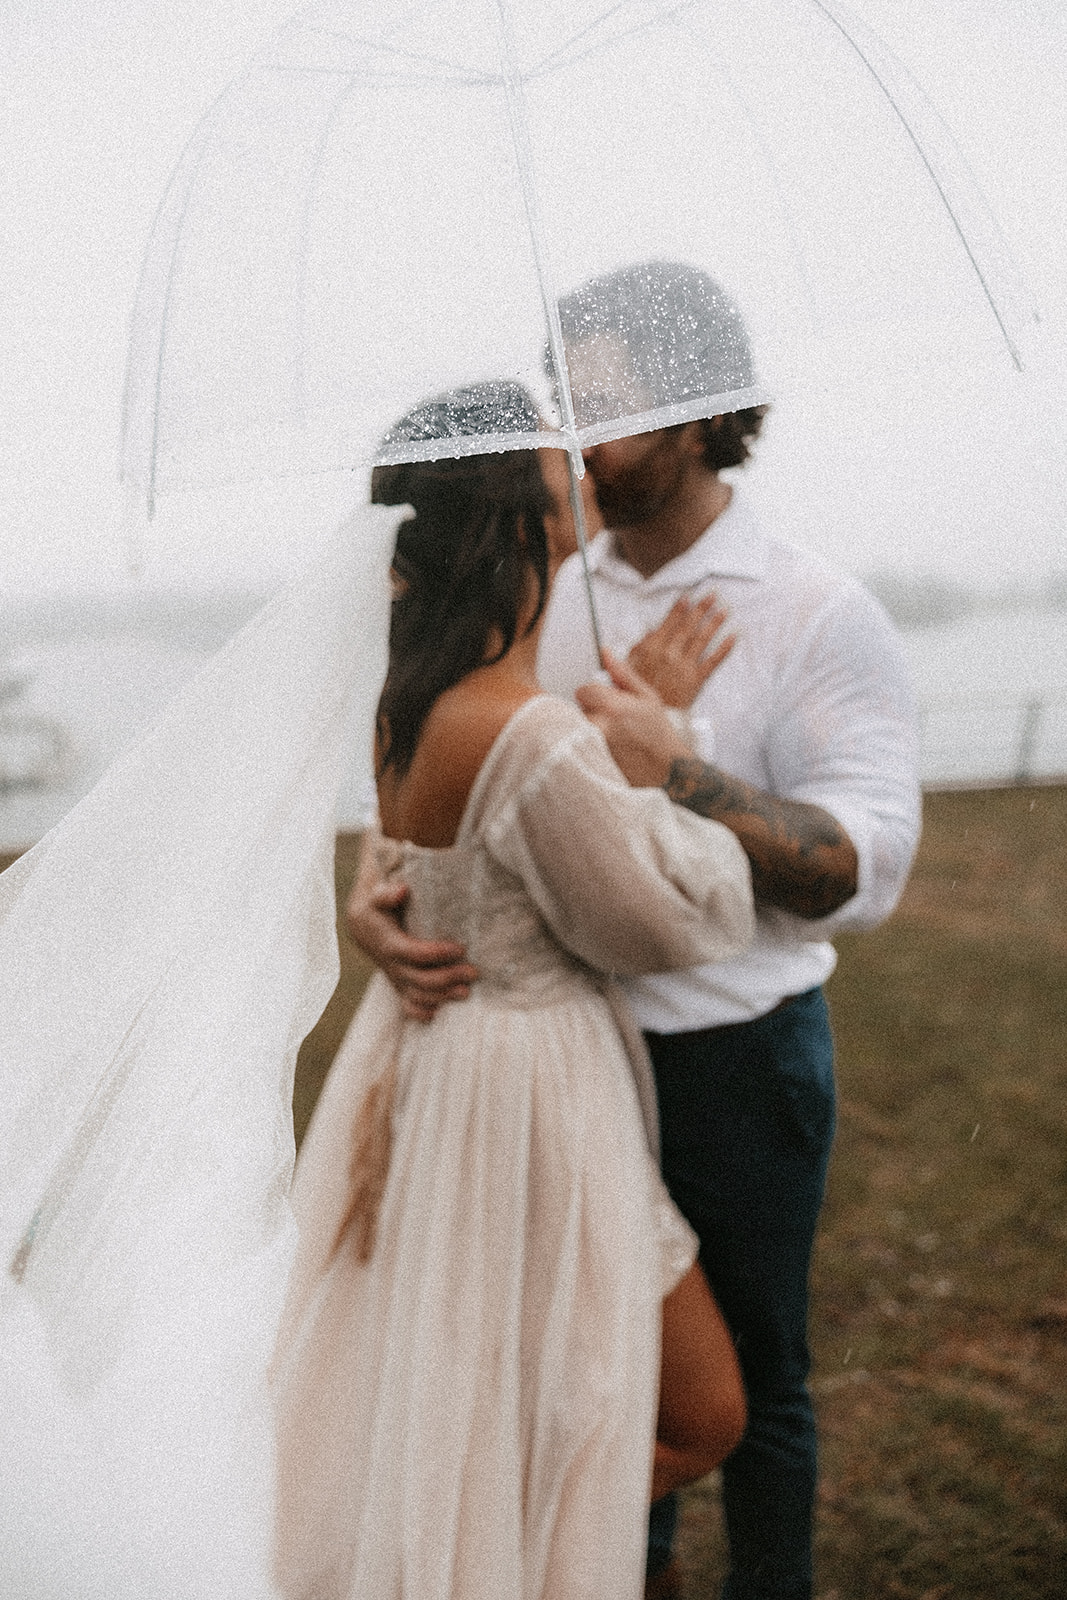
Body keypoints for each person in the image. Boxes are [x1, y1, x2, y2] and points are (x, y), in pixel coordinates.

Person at [348, 268, 922, 1600]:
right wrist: (383, 898)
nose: (573, 428)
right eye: (566, 395)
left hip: (734, 1054)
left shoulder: (812, 610)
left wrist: (677, 766)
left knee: (756, 1385)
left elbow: (859, 867)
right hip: (564, 1073)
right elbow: (457, 771)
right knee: (582, 1382)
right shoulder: (537, 572)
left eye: (603, 399)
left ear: (698, 412)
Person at [271, 382, 757, 1600]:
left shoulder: (412, 705)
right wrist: (668, 757)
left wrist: (597, 750)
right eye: (561, 474)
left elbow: (434, 860)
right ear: (522, 524)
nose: (587, 478)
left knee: (479, 1412)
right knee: (697, 1414)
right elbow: (664, 921)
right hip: (536, 1105)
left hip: (437, 1077)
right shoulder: (527, 732)